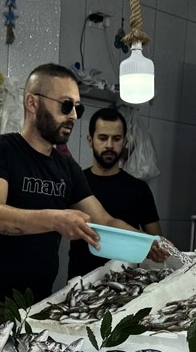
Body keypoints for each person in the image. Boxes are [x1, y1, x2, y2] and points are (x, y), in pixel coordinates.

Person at [0, 63, 168, 335]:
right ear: (32, 103)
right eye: (66, 106)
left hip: (38, 303)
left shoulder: (66, 168)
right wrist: (56, 219)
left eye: (78, 108)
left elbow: (104, 220)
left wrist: (148, 242)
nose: (73, 116)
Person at [67, 108, 161, 278]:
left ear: (124, 141)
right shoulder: (76, 182)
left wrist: (158, 246)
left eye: (116, 139)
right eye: (103, 138)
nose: (109, 145)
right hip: (80, 281)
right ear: (90, 140)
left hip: (126, 281)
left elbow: (155, 241)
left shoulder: (139, 189)